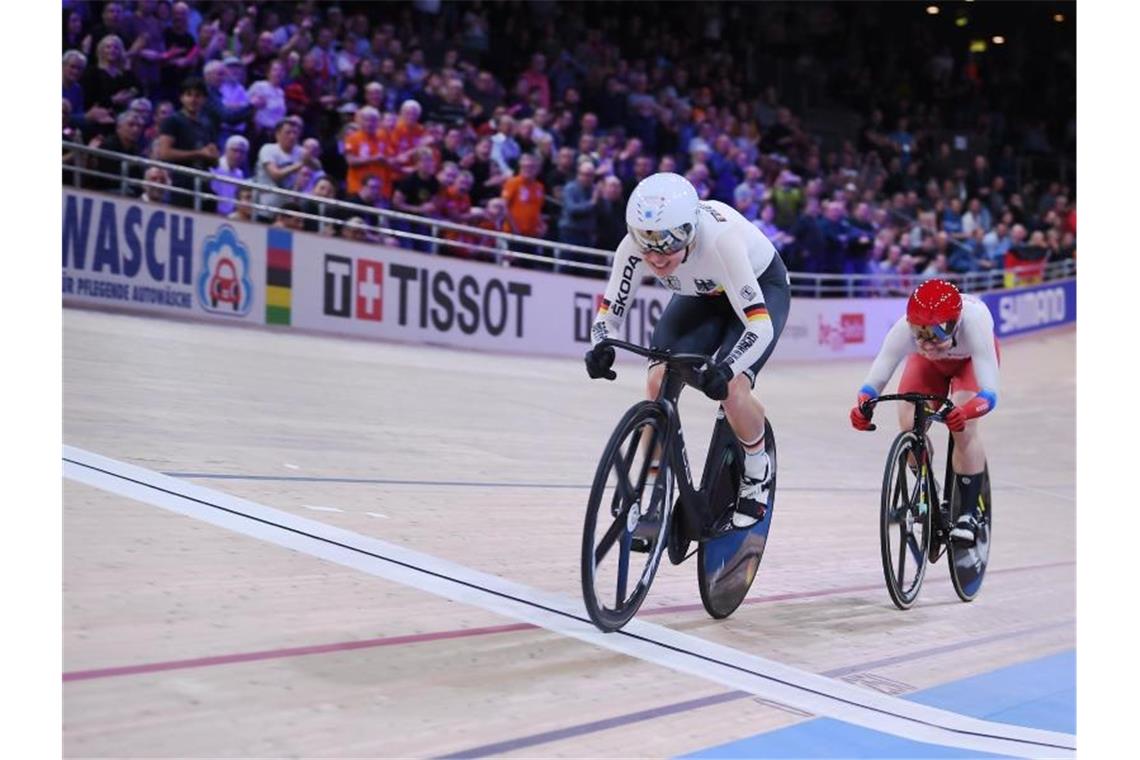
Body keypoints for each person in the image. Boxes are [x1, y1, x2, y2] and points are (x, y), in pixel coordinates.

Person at [584, 173, 791, 528]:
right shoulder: (633, 247)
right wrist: (600, 343)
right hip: (703, 293)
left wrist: (725, 369)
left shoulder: (721, 243)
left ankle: (758, 467)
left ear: (690, 231)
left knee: (733, 388)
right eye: (647, 244)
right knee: (658, 379)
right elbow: (609, 313)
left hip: (758, 286)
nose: (657, 257)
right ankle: (653, 482)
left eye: (668, 245)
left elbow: (759, 326)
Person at [849, 280, 999, 543]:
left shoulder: (975, 321)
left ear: (954, 324)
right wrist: (863, 404)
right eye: (919, 334)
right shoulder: (904, 330)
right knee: (909, 423)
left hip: (968, 365)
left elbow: (989, 394)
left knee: (964, 428)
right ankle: (927, 489)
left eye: (935, 336)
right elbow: (875, 379)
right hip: (929, 367)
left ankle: (968, 514)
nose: (926, 343)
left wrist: (966, 411)